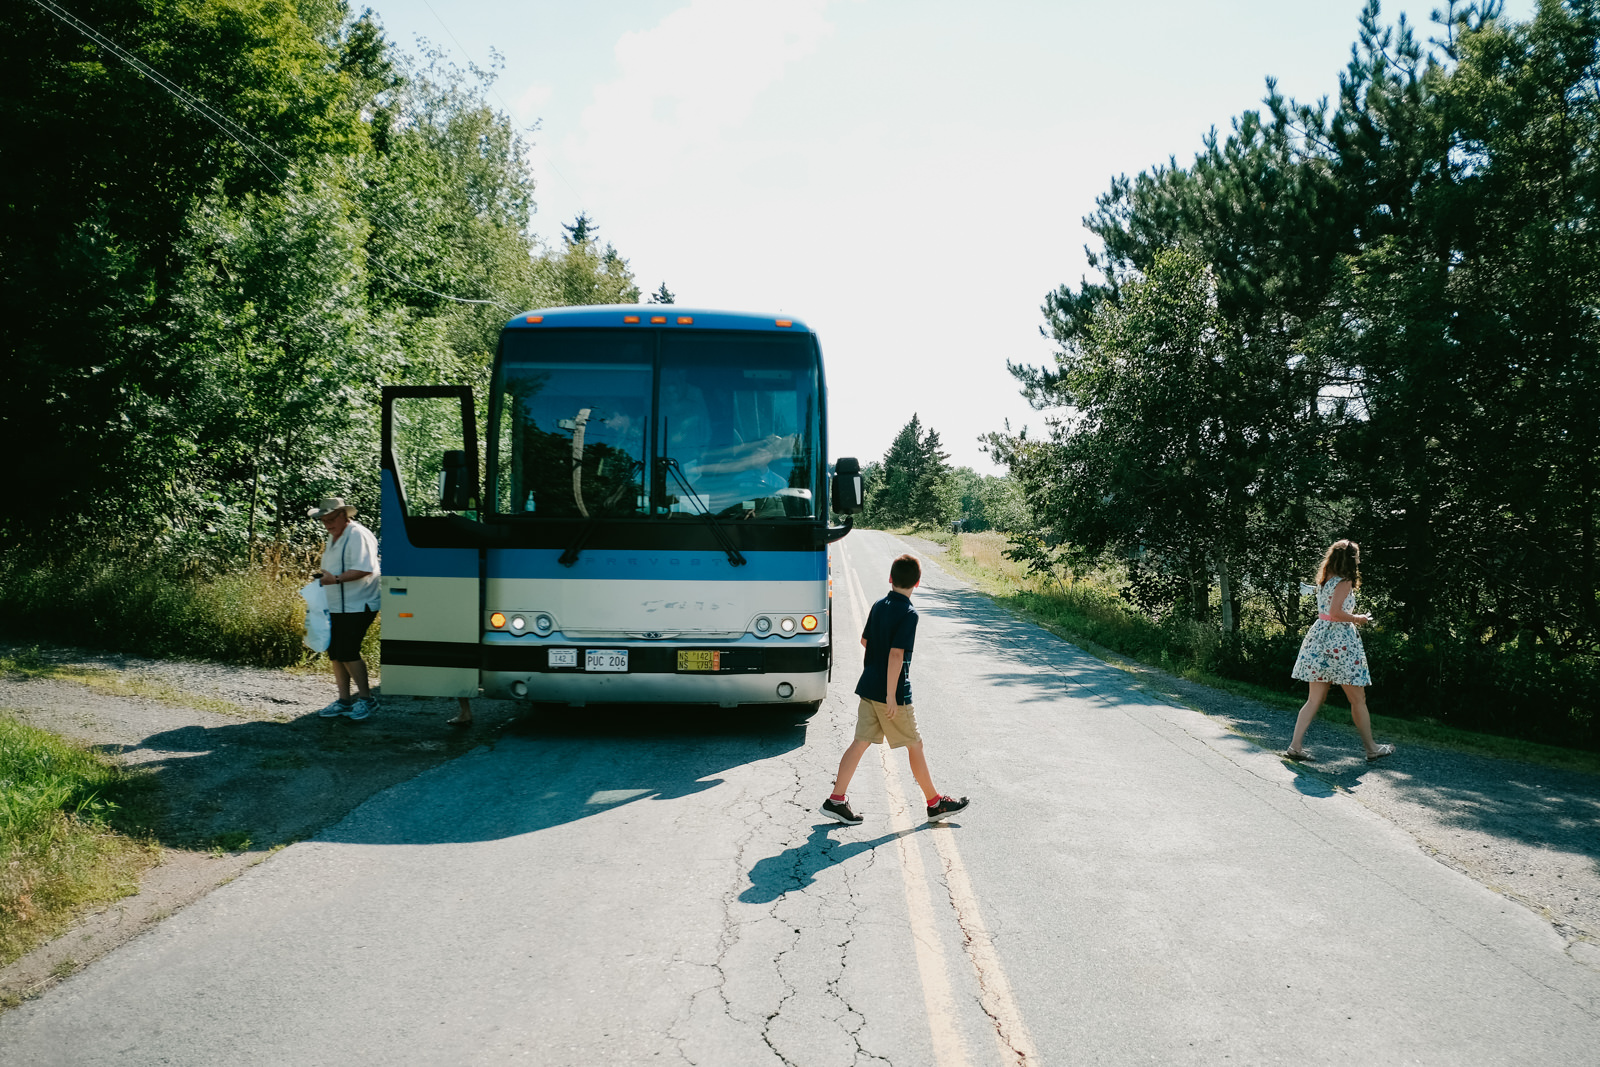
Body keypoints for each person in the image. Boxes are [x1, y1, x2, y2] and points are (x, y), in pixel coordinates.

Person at [821, 553, 970, 825]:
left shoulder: (879, 604)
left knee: (860, 742)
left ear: (890, 579)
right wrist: (891, 695)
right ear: (918, 582)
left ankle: (836, 799)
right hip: (893, 695)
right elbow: (896, 655)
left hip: (868, 686)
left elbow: (865, 641)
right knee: (915, 744)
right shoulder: (909, 613)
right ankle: (935, 804)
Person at [1285, 539, 1394, 763]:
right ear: (1353, 560)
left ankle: (1295, 746)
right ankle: (1372, 749)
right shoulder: (1344, 582)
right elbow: (1336, 613)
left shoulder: (1325, 580)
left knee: (1314, 699)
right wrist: (1358, 618)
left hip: (1320, 638)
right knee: (1358, 699)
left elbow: (1329, 612)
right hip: (1340, 642)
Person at [310, 496, 381, 722]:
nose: (327, 524)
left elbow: (365, 569)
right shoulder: (334, 537)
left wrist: (336, 579)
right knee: (336, 653)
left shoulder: (358, 534)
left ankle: (367, 700)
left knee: (348, 650)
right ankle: (343, 701)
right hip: (337, 605)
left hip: (359, 603)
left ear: (344, 515)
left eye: (331, 519)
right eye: (323, 520)